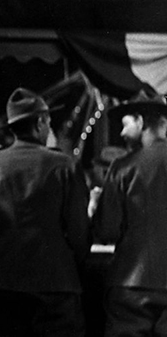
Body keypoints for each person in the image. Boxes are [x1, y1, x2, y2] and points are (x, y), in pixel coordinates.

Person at [0, 88, 91, 337]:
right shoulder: (65, 165)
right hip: (56, 282)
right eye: (48, 122)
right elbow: (79, 230)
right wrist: (69, 261)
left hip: (0, 280)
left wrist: (1, 251)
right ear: (40, 122)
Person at [93, 93, 167, 337]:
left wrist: (95, 206)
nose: (122, 133)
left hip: (131, 284)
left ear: (141, 122)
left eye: (126, 124)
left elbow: (107, 230)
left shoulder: (122, 168)